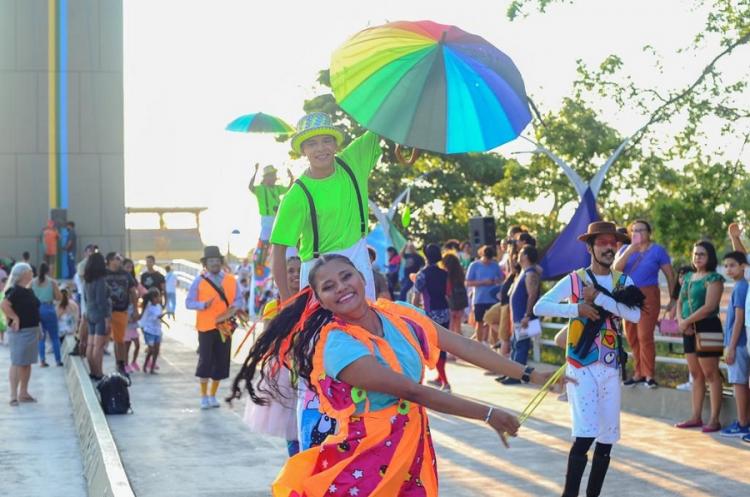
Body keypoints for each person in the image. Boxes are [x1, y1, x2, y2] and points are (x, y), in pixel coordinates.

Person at [231, 254, 567, 497]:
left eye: (347, 276)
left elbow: (463, 344)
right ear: (320, 299)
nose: (342, 288)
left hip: (412, 445)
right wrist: (488, 414)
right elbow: (414, 392)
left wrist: (529, 373)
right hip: (364, 454)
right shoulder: (335, 343)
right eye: (329, 286)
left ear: (362, 276)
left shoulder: (401, 317)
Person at [534, 221, 642, 497]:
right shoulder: (574, 280)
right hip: (580, 365)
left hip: (610, 366)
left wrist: (602, 301)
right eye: (603, 243)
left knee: (607, 441)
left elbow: (635, 315)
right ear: (590, 247)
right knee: (584, 435)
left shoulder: (623, 282)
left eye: (613, 243)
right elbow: (539, 306)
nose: (609, 247)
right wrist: (577, 308)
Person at [269, 112, 382, 303]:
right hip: (319, 272)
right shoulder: (296, 196)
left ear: (336, 144)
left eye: (326, 140)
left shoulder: (353, 161)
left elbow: (384, 121)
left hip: (358, 261)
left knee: (366, 328)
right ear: (303, 150)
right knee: (322, 332)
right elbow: (278, 251)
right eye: (312, 143)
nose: (321, 148)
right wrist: (287, 300)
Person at [242, 253, 302, 457]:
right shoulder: (273, 307)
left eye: (299, 270)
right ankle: (296, 466)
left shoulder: (316, 301)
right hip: (285, 371)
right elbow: (269, 340)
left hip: (311, 370)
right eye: (290, 271)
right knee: (292, 426)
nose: (295, 275)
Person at [613, 220, 677, 388]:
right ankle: (638, 373)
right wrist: (629, 251)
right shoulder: (624, 250)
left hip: (648, 295)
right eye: (633, 230)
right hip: (628, 295)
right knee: (632, 336)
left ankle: (649, 374)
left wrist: (673, 299)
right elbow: (615, 271)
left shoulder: (657, 251)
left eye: (641, 230)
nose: (637, 233)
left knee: (644, 335)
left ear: (649, 232)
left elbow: (670, 275)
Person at [185, 246, 243, 409]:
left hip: (225, 327)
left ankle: (212, 395)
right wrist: (203, 305)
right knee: (205, 361)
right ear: (205, 263)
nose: (214, 264)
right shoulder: (199, 280)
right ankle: (203, 396)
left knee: (221, 361)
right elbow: (188, 302)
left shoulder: (231, 280)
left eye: (217, 261)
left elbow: (239, 300)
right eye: (211, 261)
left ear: (221, 262)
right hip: (206, 327)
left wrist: (234, 308)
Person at [675, 241, 724, 433]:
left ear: (710, 256)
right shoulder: (687, 276)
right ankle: (695, 416)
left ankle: (714, 419)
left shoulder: (714, 278)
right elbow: (680, 301)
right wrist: (681, 321)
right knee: (695, 374)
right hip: (687, 328)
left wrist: (687, 322)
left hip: (708, 327)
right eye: (695, 254)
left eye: (702, 254)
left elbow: (710, 307)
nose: (697, 257)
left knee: (711, 374)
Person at [718, 251, 750, 437]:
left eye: (732, 265)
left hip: (738, 344)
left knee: (739, 383)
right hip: (741, 342)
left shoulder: (740, 287)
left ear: (743, 267)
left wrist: (730, 346)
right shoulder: (742, 285)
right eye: (726, 266)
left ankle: (742, 422)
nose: (728, 269)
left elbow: (739, 319)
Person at [2, 263, 42, 405]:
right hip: (20, 332)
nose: (32, 273)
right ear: (24, 274)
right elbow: (4, 304)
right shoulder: (15, 290)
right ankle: (13, 395)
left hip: (31, 330)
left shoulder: (28, 290)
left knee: (27, 363)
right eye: (30, 271)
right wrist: (15, 318)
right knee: (17, 362)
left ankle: (23, 392)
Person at [502, 245, 541, 385]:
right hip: (518, 317)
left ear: (526, 256)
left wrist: (527, 315)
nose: (518, 255)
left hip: (525, 317)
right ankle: (511, 372)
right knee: (515, 344)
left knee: (521, 346)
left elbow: (532, 295)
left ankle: (517, 375)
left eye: (520, 253)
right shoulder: (523, 272)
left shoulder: (531, 273)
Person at [415, 244, 452, 391]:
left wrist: (413, 312)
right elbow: (448, 293)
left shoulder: (422, 274)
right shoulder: (444, 273)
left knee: (432, 348)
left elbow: (416, 295)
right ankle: (440, 377)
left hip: (430, 314)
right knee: (442, 346)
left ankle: (445, 381)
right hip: (444, 312)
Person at [104, 252, 139, 378]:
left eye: (120, 259)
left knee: (120, 340)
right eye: (117, 259)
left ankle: (121, 364)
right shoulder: (103, 274)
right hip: (105, 313)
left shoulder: (126, 275)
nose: (119, 261)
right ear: (109, 261)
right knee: (103, 340)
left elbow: (133, 292)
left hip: (121, 311)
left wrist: (135, 309)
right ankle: (114, 364)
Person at [466, 245, 503, 345]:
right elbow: (468, 282)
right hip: (479, 298)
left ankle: (494, 343)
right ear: (482, 255)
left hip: (492, 299)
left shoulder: (495, 265)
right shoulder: (474, 265)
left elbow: (501, 279)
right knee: (479, 322)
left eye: (490, 258)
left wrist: (495, 281)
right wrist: (483, 282)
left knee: (493, 321)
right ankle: (479, 343)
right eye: (486, 258)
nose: (488, 261)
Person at [249, 163, 294, 242]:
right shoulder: (260, 189)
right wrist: (255, 172)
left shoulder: (277, 188)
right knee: (264, 242)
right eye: (273, 176)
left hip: (278, 218)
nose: (275, 178)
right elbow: (250, 187)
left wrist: (291, 178)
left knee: (282, 241)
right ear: (266, 178)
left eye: (274, 175)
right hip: (267, 219)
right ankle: (261, 253)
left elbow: (289, 189)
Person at [84, 253, 111, 380]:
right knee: (98, 346)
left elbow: (85, 298)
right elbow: (101, 301)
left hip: (89, 312)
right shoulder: (100, 280)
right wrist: (106, 318)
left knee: (90, 345)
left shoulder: (87, 280)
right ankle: (99, 372)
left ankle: (93, 371)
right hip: (99, 315)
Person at [31, 262, 63, 367]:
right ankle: (58, 360)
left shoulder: (32, 282)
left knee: (41, 337)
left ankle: (42, 361)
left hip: (36, 310)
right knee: (54, 336)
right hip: (49, 309)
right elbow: (59, 297)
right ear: (48, 270)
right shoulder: (52, 282)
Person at [123, 258, 144, 373]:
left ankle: (133, 362)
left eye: (131, 267)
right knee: (126, 344)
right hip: (126, 313)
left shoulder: (134, 282)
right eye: (127, 267)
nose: (129, 269)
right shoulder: (121, 280)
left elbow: (144, 292)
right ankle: (125, 364)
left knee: (137, 344)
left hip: (133, 315)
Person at [139, 288, 166, 374]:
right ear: (152, 298)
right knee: (151, 350)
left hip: (157, 331)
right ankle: (145, 365)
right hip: (149, 331)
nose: (158, 299)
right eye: (156, 297)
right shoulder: (149, 307)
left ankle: (152, 367)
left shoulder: (159, 307)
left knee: (156, 350)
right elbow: (150, 318)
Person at [442, 252, 468, 336]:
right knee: (458, 327)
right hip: (461, 302)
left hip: (451, 302)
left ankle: (452, 347)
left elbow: (447, 290)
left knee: (451, 327)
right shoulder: (460, 273)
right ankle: (460, 345)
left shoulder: (445, 275)